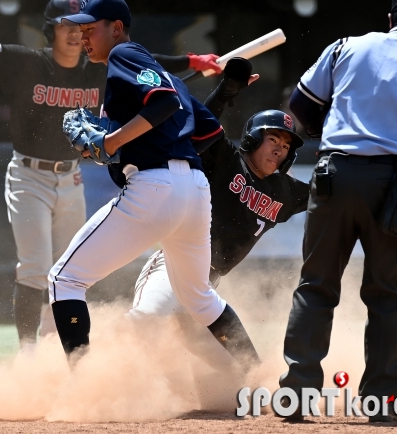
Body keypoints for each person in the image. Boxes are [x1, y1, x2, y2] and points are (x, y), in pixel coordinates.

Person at [0, 0, 222, 348]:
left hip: (71, 176)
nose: (78, 34)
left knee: (67, 271)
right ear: (51, 30)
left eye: (84, 27)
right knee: (36, 268)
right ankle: (28, 353)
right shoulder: (29, 64)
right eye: (69, 25)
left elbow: (149, 65)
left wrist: (194, 62)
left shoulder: (98, 65)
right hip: (29, 175)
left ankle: (55, 347)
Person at [49, 0, 259, 369]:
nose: (83, 38)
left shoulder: (123, 54)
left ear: (116, 28)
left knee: (64, 279)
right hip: (193, 192)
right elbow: (206, 134)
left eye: (90, 29)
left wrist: (111, 141)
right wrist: (111, 146)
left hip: (156, 188)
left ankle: (83, 386)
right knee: (199, 297)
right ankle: (259, 374)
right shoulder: (165, 78)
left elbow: (163, 104)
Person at [280, 0, 397, 422]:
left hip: (335, 174)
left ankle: (296, 394)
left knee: (316, 285)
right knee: (388, 295)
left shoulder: (347, 47)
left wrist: (327, 136)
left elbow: (301, 103)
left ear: (390, 19)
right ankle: (381, 400)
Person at [129, 108, 309, 367]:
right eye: (273, 139)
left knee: (238, 375)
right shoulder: (226, 158)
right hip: (173, 268)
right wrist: (226, 92)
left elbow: (330, 194)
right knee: (144, 320)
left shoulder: (284, 191)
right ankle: (85, 373)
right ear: (252, 139)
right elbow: (195, 122)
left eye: (285, 144)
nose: (279, 148)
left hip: (206, 289)